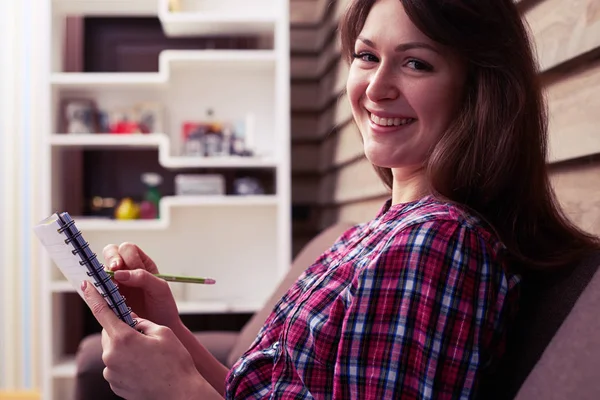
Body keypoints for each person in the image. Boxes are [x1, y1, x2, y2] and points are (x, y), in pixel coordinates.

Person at [82, 0, 599, 399]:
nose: (376, 88)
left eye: (416, 63)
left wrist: (175, 390)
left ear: (477, 90)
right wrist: (169, 327)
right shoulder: (380, 229)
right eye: (367, 56)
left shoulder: (435, 242)